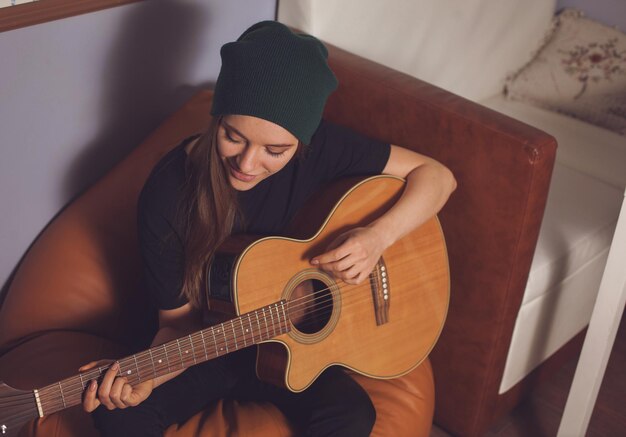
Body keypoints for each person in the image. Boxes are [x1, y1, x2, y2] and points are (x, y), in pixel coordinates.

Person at [78, 20, 456, 436]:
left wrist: (376, 237)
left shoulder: (323, 150)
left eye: (275, 150)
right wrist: (150, 374)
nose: (247, 163)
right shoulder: (167, 194)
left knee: (353, 416)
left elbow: (437, 177)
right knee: (117, 414)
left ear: (301, 142)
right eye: (233, 136)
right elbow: (177, 324)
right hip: (211, 345)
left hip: (295, 349)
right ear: (216, 117)